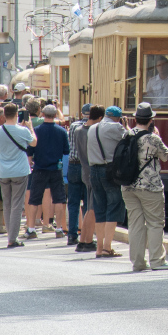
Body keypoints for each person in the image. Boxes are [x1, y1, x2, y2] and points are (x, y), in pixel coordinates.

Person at [120, 102, 168, 272]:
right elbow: (165, 156)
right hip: (150, 186)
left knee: (135, 224)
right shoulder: (153, 138)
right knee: (154, 223)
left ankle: (137, 263)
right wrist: (157, 136)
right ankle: (157, 261)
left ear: (136, 118)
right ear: (151, 120)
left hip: (128, 186)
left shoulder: (127, 135)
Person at [0, 103, 36, 248]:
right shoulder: (22, 130)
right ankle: (12, 238)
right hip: (20, 170)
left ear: (4, 115)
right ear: (16, 114)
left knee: (7, 204)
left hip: (4, 170)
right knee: (17, 205)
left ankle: (10, 234)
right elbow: (33, 143)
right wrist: (30, 127)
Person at [87, 105, 127, 258]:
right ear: (117, 118)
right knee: (114, 206)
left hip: (94, 171)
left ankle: (99, 248)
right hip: (108, 171)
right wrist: (126, 126)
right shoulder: (115, 127)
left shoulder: (93, 128)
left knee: (100, 208)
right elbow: (129, 138)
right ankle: (107, 247)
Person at [23, 104, 68, 240]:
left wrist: (30, 163)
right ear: (55, 115)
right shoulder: (62, 132)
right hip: (56, 168)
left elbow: (30, 151)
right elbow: (66, 151)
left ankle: (31, 229)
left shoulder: (36, 131)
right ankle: (59, 228)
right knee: (59, 198)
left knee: (34, 199)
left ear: (42, 114)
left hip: (39, 168)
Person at [73, 104, 103, 253]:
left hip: (84, 169)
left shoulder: (78, 130)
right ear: (100, 118)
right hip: (93, 170)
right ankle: (87, 240)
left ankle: (83, 240)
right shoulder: (93, 131)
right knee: (92, 207)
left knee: (88, 206)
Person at [66, 104, 93, 247]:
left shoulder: (74, 126)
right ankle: (86, 234)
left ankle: (72, 234)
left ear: (82, 113)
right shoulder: (93, 128)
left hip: (73, 164)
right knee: (88, 202)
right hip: (87, 165)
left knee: (73, 202)